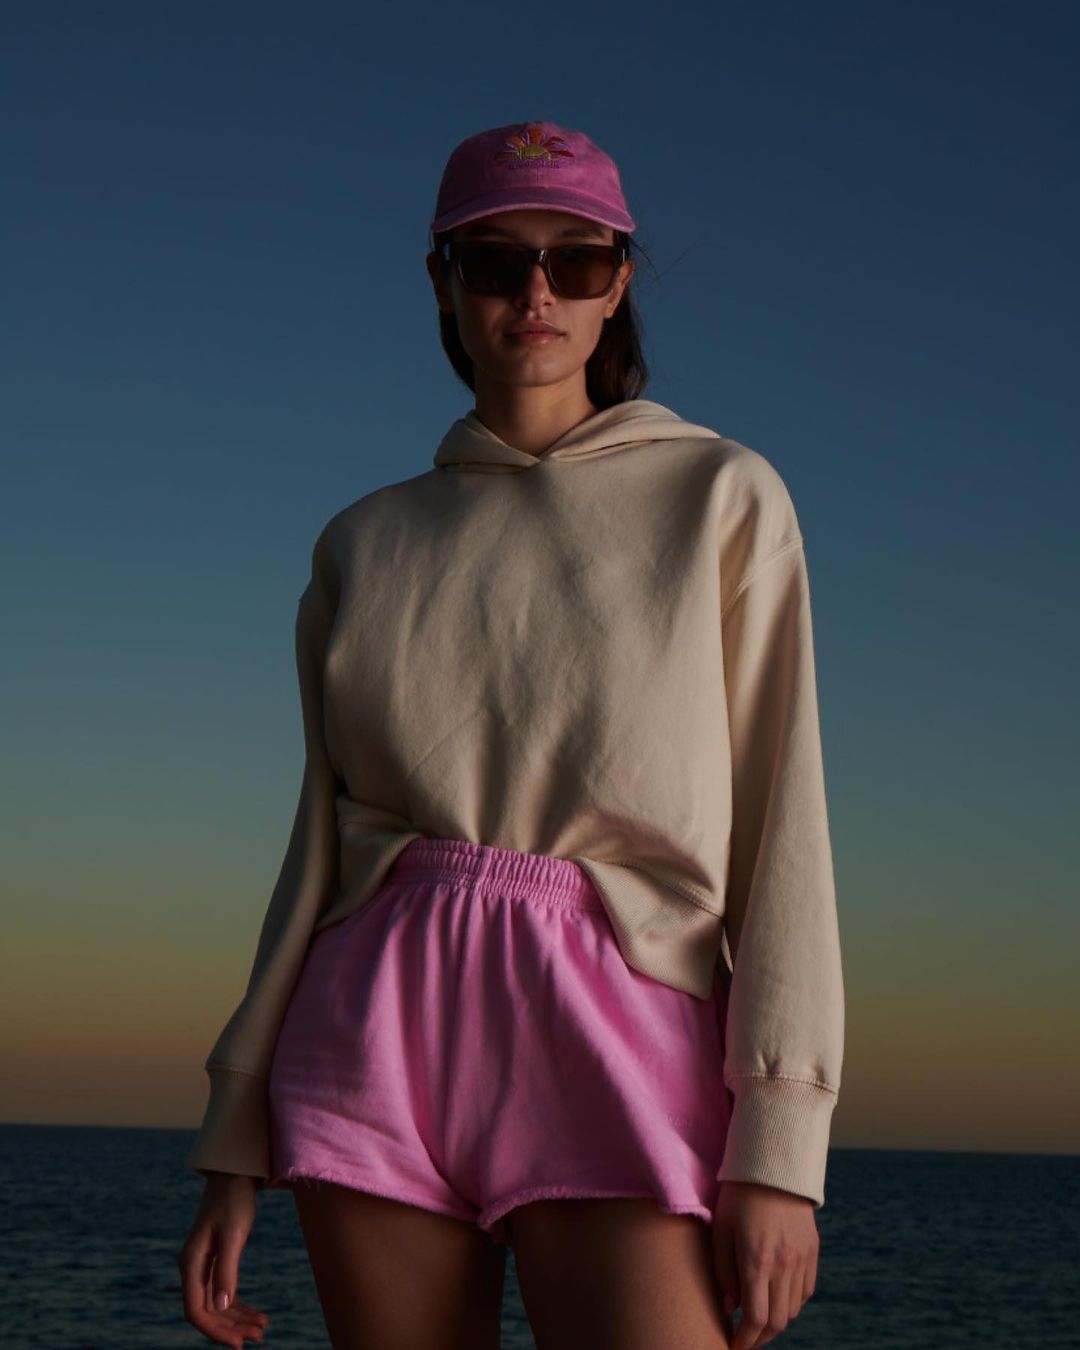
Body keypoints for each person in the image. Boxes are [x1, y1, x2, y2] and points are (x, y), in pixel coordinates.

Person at [177, 118, 845, 1350]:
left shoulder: (722, 496)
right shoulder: (361, 543)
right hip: (371, 1022)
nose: (537, 294)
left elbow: (781, 825)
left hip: (619, 1022)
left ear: (618, 283)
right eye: (495, 262)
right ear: (442, 280)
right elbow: (317, 847)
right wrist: (234, 1132)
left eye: (575, 261)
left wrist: (781, 1146)